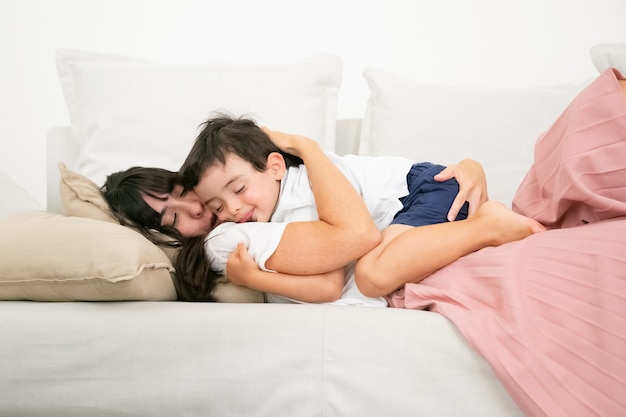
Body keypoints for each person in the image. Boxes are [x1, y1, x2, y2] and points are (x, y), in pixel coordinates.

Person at [174, 114, 543, 303]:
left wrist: (253, 278)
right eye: (217, 206)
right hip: (420, 196)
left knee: (372, 276)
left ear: (274, 167)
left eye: (238, 189)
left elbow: (329, 285)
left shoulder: (298, 193)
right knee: (380, 269)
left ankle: (486, 225)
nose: (234, 209)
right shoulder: (283, 202)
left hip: (425, 191)